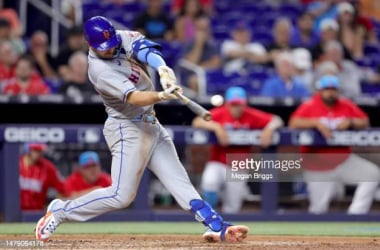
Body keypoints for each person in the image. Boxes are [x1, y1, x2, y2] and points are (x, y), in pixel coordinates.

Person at [35, 16, 248, 243]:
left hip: (150, 123)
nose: (110, 50)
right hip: (126, 127)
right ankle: (60, 211)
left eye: (111, 44)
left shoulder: (118, 38)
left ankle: (216, 225)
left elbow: (144, 49)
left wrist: (162, 68)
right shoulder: (99, 70)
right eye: (103, 48)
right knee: (121, 196)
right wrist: (161, 95)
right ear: (91, 45)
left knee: (180, 182)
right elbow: (135, 97)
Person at [289, 75, 380, 214]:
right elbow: (294, 123)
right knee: (318, 210)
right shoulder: (310, 105)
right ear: (320, 91)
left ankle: (355, 214)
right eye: (327, 89)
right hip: (317, 166)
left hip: (344, 161)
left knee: (372, 174)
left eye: (333, 89)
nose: (330, 93)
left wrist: (351, 122)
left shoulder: (345, 104)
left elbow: (364, 121)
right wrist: (315, 122)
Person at [192, 86, 284, 213]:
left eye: (239, 104)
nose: (236, 108)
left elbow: (277, 120)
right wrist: (216, 127)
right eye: (233, 104)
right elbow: (197, 121)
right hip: (217, 161)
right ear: (227, 104)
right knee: (209, 183)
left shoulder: (250, 114)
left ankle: (227, 229)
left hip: (239, 165)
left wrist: (269, 129)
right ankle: (209, 216)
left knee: (233, 207)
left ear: (244, 104)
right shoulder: (220, 113)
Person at [19, 143, 66, 210]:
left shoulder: (48, 167)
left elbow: (62, 190)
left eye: (40, 150)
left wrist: (51, 208)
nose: (38, 153)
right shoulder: (14, 163)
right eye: (35, 150)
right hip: (12, 212)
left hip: (37, 212)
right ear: (28, 150)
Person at [182, 15, 221, 93]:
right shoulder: (189, 45)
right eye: (200, 29)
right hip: (192, 77)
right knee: (195, 81)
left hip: (210, 75)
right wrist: (198, 45)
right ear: (195, 30)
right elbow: (191, 64)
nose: (203, 32)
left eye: (205, 29)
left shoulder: (213, 45)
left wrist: (199, 66)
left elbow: (216, 65)